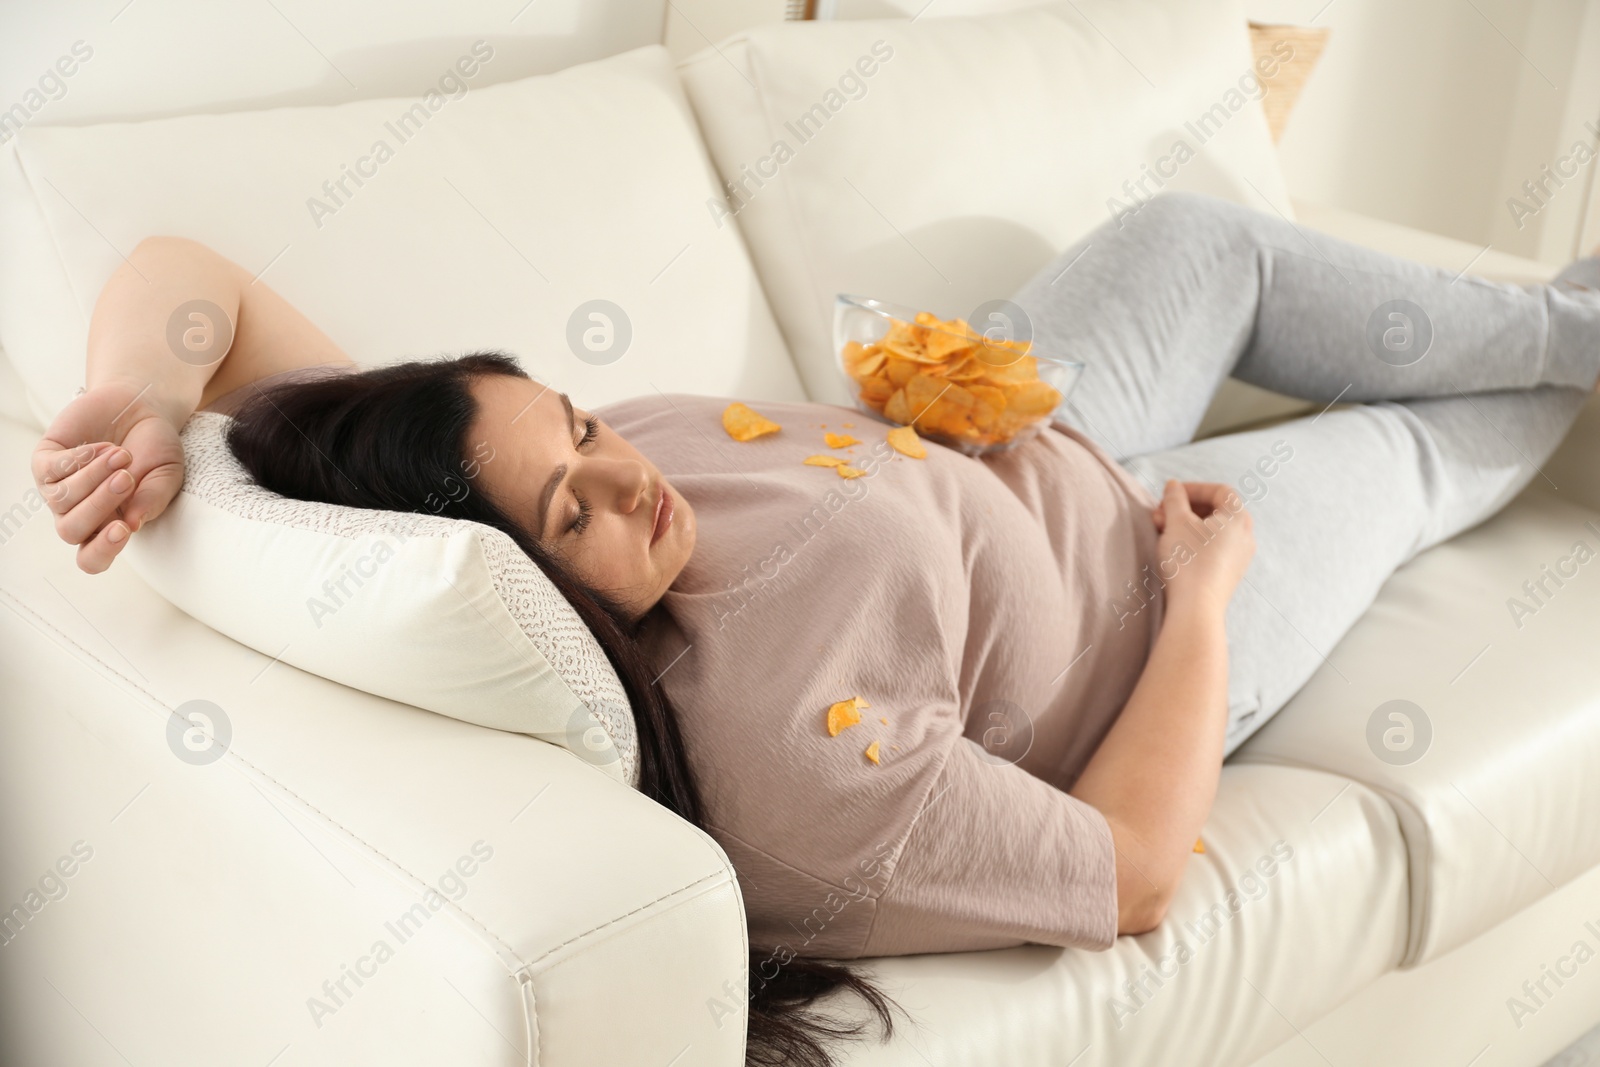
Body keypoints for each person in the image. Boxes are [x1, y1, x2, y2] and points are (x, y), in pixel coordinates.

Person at [32, 192, 1600, 1065]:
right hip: (1139, 608)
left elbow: (188, 275)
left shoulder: (472, 475)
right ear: (537, 588)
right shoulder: (784, 760)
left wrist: (150, 415)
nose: (627, 476)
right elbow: (1126, 875)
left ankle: (1576, 314)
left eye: (580, 424)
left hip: (1004, 420)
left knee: (1206, 237)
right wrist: (1201, 602)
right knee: (1408, 451)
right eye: (573, 511)